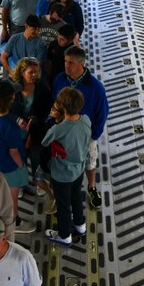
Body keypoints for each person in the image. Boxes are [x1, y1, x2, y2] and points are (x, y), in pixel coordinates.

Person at [52, 46, 108, 209]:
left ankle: (91, 186)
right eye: (65, 62)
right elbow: (54, 102)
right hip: (63, 134)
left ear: (81, 63)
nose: (66, 66)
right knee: (65, 163)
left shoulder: (96, 87)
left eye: (71, 63)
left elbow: (102, 112)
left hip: (86, 136)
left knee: (90, 161)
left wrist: (93, 136)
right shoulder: (60, 80)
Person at [43, 87, 91, 246]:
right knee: (76, 197)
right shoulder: (86, 120)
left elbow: (45, 142)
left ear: (63, 108)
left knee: (63, 205)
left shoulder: (59, 128)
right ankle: (80, 225)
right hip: (79, 170)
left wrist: (52, 118)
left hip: (61, 175)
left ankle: (64, 235)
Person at [0, 80, 28, 226]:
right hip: (11, 166)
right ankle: (13, 219)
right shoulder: (10, 128)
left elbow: (3, 117)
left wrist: (17, 119)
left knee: (3, 190)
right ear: (12, 99)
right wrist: (21, 165)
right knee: (12, 196)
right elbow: (14, 152)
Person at [11, 57, 53, 176]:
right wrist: (18, 119)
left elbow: (49, 109)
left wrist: (38, 119)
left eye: (36, 72)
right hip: (18, 132)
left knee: (36, 157)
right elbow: (6, 111)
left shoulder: (42, 88)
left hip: (36, 132)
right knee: (19, 158)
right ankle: (21, 182)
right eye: (31, 72)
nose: (34, 75)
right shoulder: (13, 89)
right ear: (22, 73)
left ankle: (38, 179)